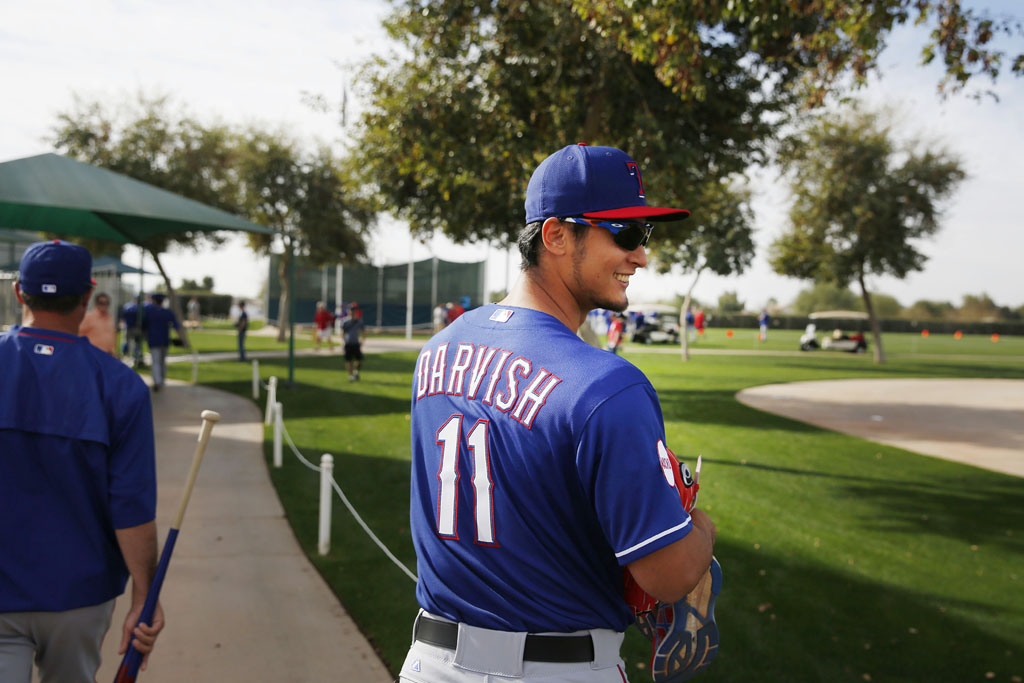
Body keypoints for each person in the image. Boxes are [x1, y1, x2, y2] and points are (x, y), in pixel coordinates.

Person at [403, 144, 717, 682]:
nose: (640, 256)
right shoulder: (606, 385)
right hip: (557, 669)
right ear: (555, 236)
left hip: (430, 664)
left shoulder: (438, 349)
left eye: (644, 235)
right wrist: (699, 527)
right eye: (625, 234)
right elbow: (665, 576)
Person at [0, 240, 164, 683]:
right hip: (79, 595)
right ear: (88, 295)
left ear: (19, 293)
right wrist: (144, 599)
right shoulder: (122, 386)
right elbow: (130, 508)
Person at [143, 292, 182, 392]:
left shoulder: (149, 311)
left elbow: (143, 325)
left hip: (153, 340)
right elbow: (176, 326)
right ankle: (162, 381)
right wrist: (181, 338)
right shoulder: (168, 312)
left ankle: (157, 381)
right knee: (162, 362)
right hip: (164, 340)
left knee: (156, 362)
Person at [79, 291, 117, 355]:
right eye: (101, 303)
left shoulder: (110, 318)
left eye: (106, 303)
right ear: (96, 303)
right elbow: (79, 335)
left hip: (107, 356)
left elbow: (112, 336)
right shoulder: (88, 317)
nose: (104, 305)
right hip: (92, 355)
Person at [342, 301, 365, 382]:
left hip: (356, 344)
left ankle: (356, 372)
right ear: (348, 311)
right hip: (348, 344)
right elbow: (342, 333)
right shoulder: (345, 321)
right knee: (348, 361)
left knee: (359, 360)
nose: (352, 311)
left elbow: (363, 332)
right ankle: (351, 375)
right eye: (351, 310)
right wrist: (344, 342)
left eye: (354, 310)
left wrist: (362, 341)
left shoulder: (359, 321)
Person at [121, 298, 144, 367]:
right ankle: (136, 359)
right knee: (137, 345)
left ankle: (124, 355)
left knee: (127, 343)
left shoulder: (127, 306)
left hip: (128, 327)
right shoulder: (140, 308)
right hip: (137, 328)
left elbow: (123, 316)